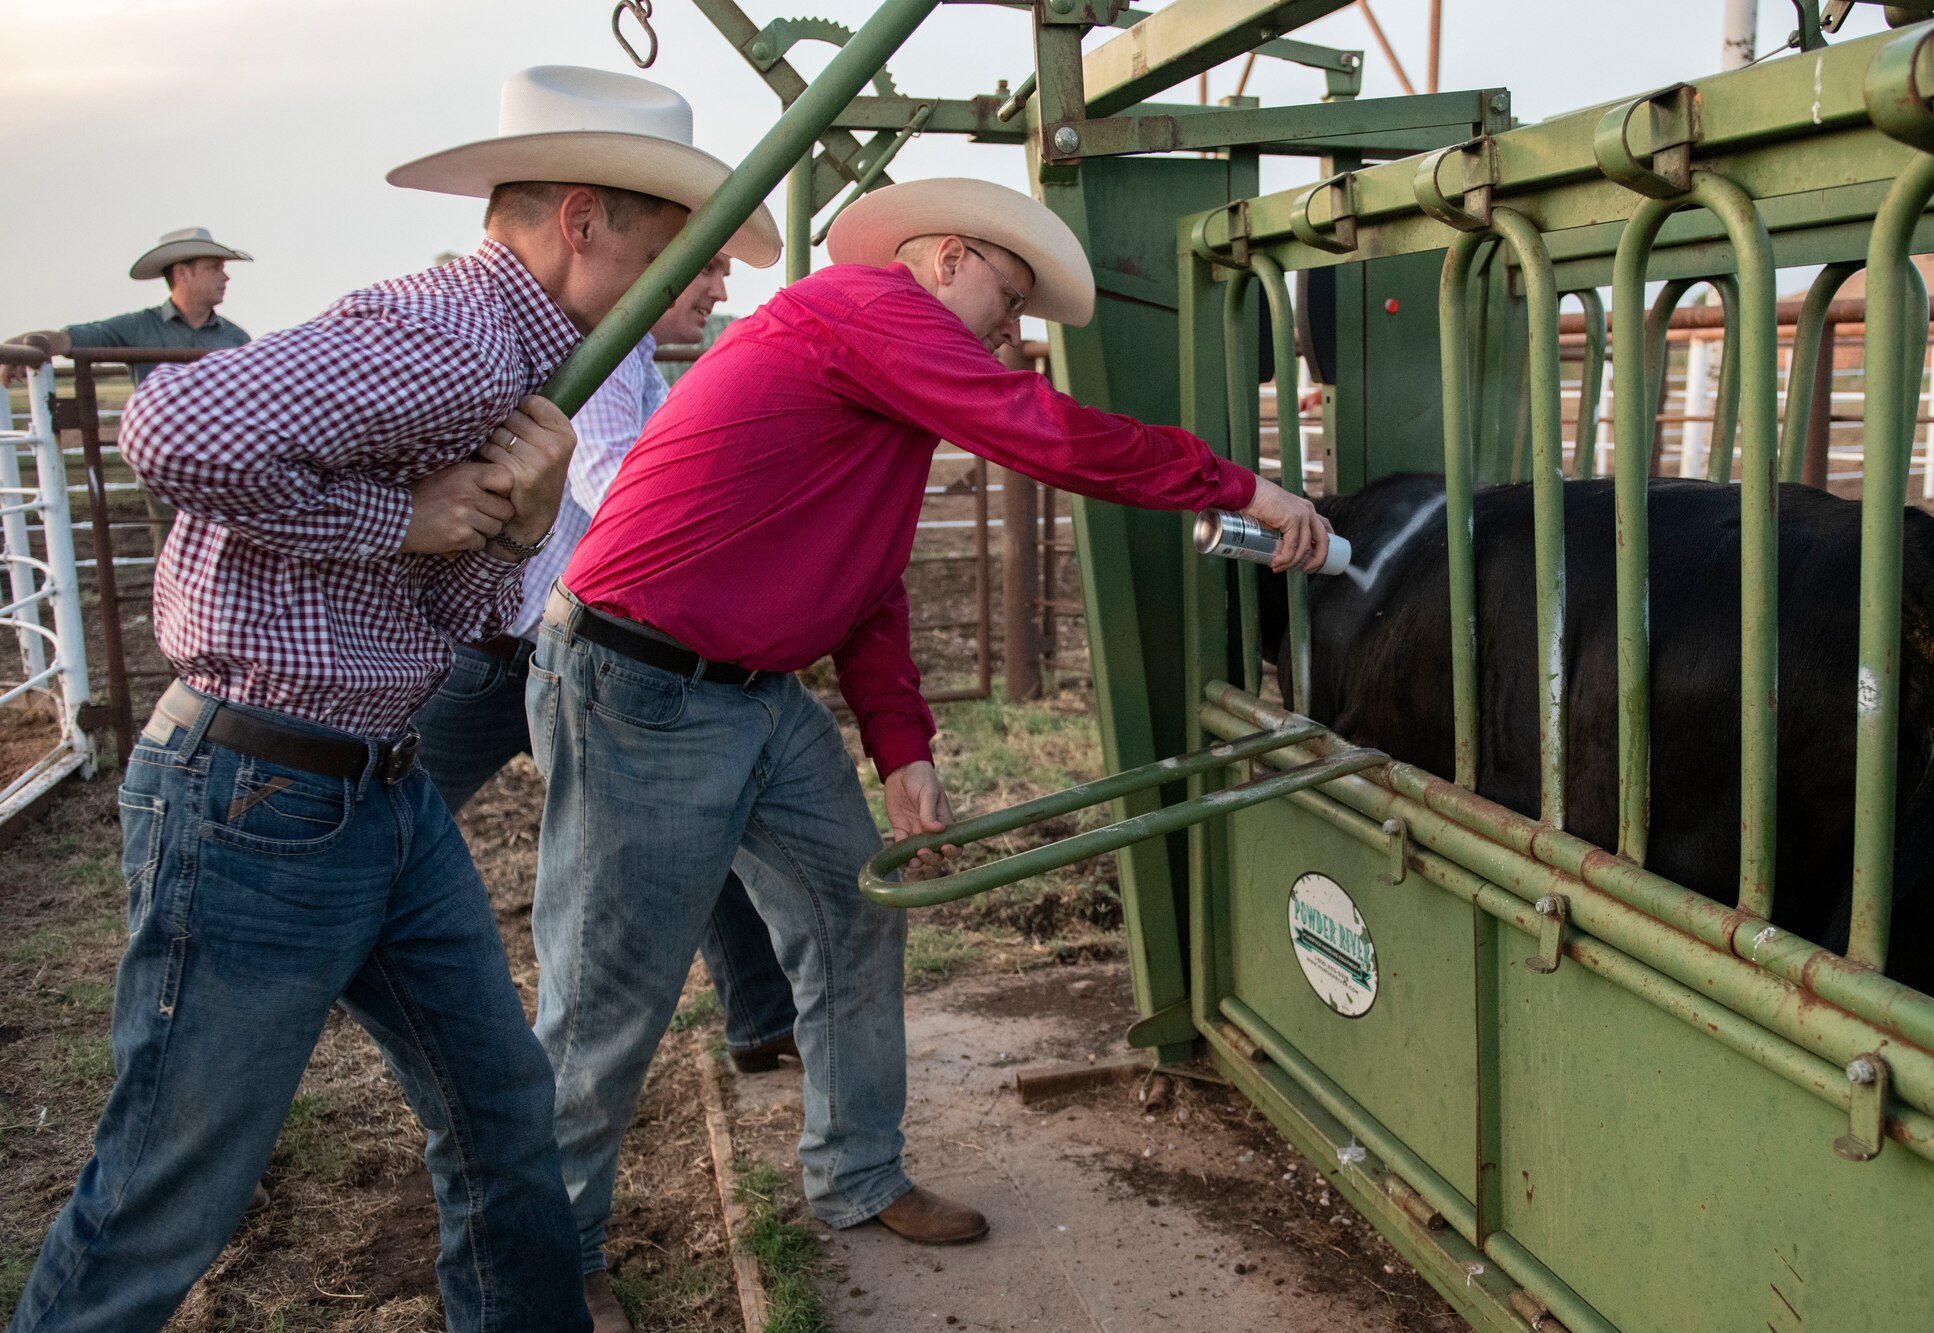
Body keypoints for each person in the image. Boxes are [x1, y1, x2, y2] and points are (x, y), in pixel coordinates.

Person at [4, 65, 778, 1333]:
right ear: (582, 220)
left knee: (499, 1107)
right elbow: (171, 425)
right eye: (665, 247)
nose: (671, 291)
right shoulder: (460, 335)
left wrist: (501, 527)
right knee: (168, 1189)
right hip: (261, 790)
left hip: (368, 785)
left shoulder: (532, 363)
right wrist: (405, 515)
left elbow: (461, 614)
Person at [528, 177, 1329, 1291]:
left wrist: (902, 750)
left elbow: (867, 584)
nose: (1011, 331)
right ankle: (541, 1268)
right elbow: (1038, 430)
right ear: (947, 256)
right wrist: (1234, 484)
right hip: (641, 681)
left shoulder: (879, 376)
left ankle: (855, 1169)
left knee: (853, 915)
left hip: (752, 691)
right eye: (1008, 296)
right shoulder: (863, 309)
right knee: (608, 994)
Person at [412, 253, 800, 1076]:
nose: (720, 288)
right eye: (710, 267)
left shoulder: (632, 356)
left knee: (695, 818)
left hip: (560, 644)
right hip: (514, 646)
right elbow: (624, 487)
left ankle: (764, 1014)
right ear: (658, 264)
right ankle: (313, 964)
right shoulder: (603, 350)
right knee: (386, 817)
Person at [2, 228, 252, 388]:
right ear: (182, 273)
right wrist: (15, 349)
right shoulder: (138, 327)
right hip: (161, 460)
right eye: (214, 268)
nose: (226, 277)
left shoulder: (237, 337)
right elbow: (68, 339)